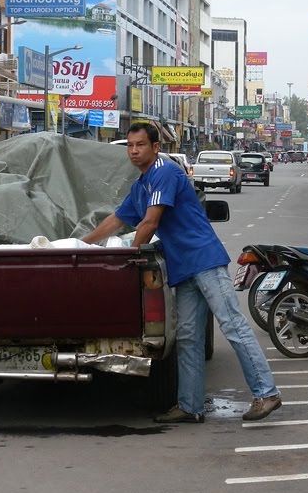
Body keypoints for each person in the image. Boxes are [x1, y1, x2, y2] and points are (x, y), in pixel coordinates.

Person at [82, 121, 281, 424]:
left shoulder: (165, 172)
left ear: (156, 147)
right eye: (130, 146)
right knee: (187, 336)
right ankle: (190, 406)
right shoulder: (141, 186)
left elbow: (149, 223)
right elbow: (116, 220)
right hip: (182, 267)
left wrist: (131, 254)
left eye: (141, 145)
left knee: (233, 326)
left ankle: (266, 393)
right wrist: (80, 245)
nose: (134, 151)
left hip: (204, 259)